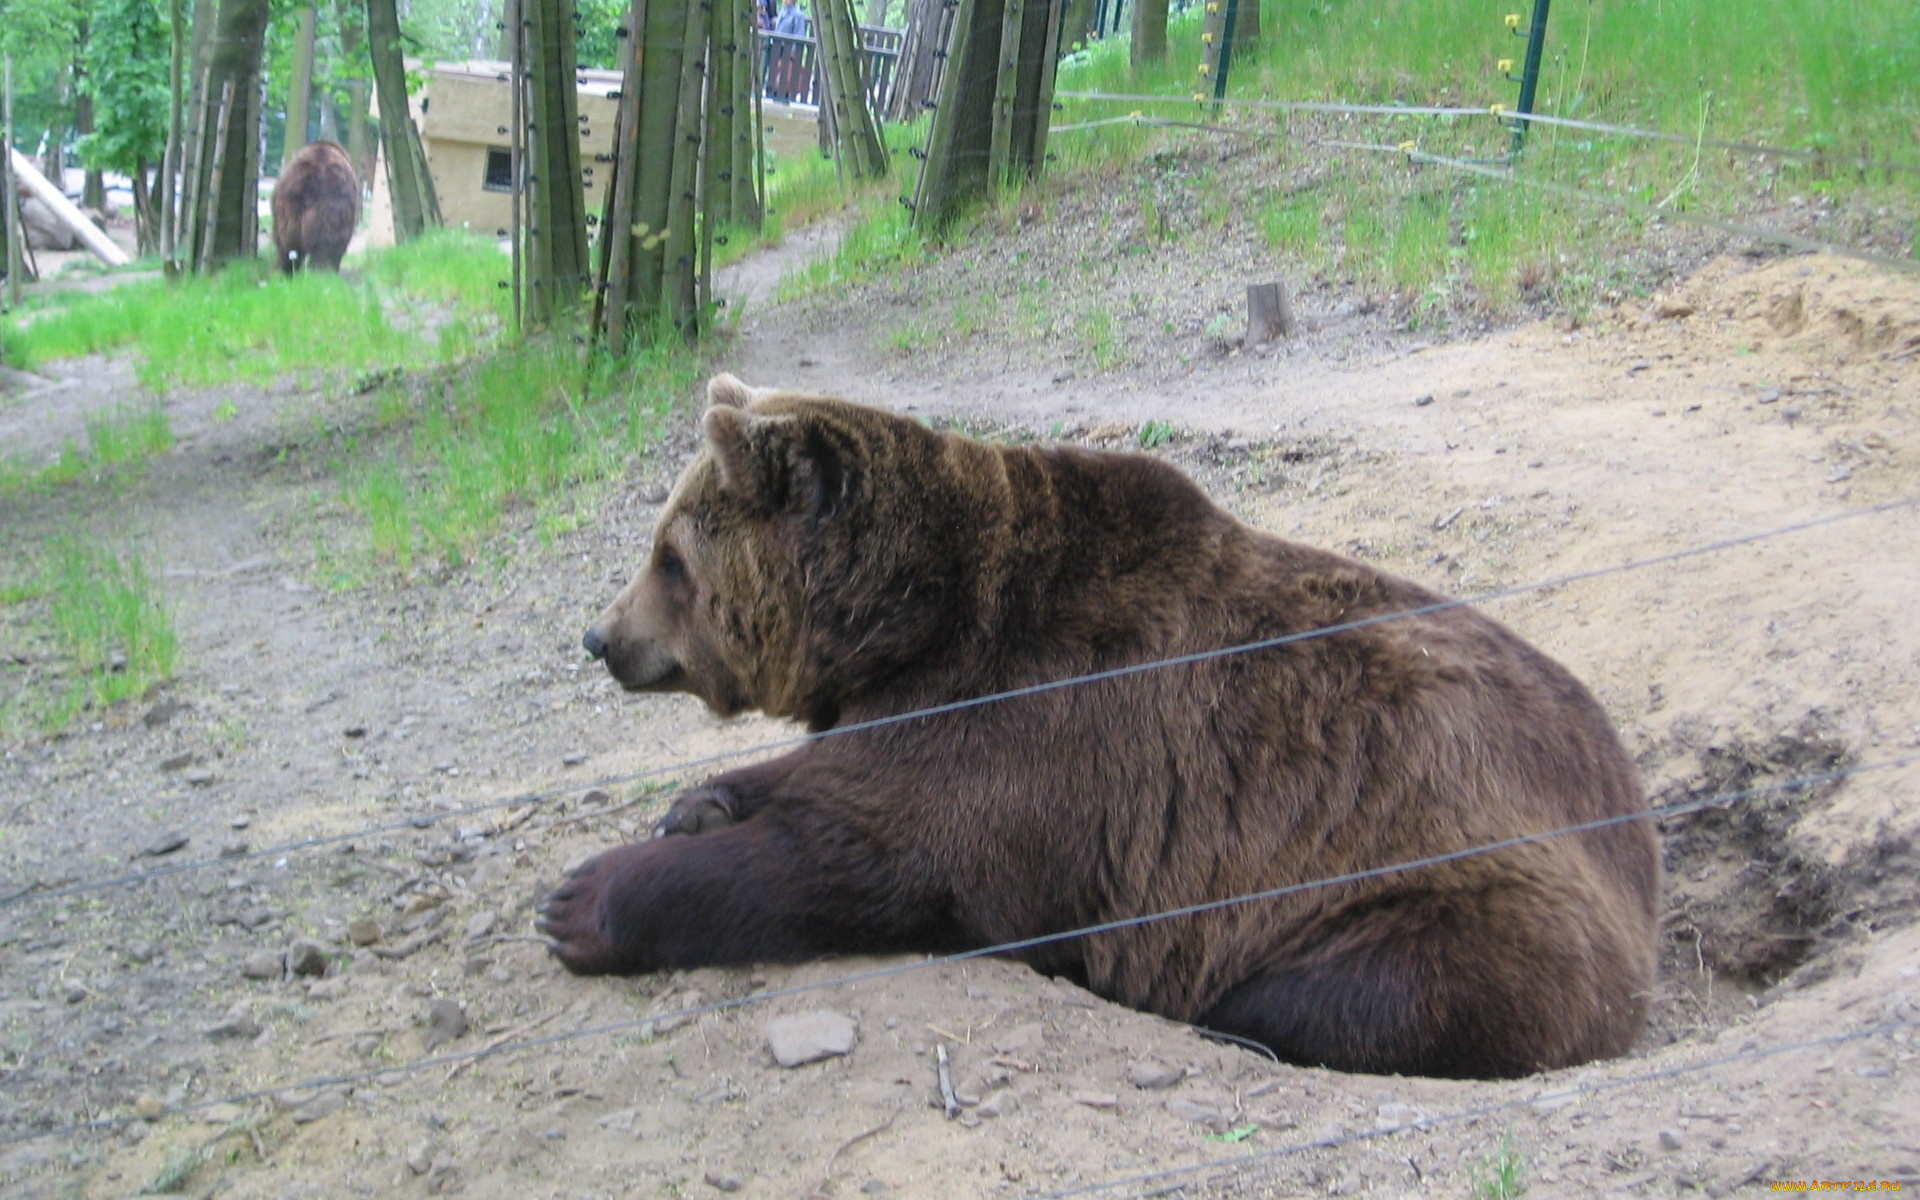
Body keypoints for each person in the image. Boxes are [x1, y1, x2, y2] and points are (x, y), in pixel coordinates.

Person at [768, 0, 809, 101]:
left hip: (788, 51)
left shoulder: (798, 15)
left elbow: (800, 35)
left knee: (785, 79)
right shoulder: (782, 11)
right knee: (774, 77)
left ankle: (782, 99)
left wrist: (793, 53)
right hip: (777, 48)